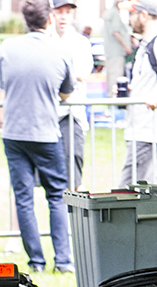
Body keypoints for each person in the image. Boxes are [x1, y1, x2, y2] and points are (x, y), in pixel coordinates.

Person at [0, 0, 76, 273]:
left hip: (14, 133)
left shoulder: (7, 48)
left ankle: (36, 262)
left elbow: (1, 87)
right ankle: (62, 260)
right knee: (56, 196)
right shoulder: (59, 52)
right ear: (49, 20)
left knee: (24, 198)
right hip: (45, 132)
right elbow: (66, 93)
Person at [116, 0, 157, 188]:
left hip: (150, 130)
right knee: (136, 192)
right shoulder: (146, 44)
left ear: (144, 15)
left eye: (132, 14)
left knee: (132, 192)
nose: (129, 20)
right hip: (140, 129)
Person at [53, 0, 93, 190]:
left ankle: (74, 217)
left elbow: (83, 74)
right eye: (59, 11)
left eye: (67, 12)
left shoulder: (80, 42)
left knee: (74, 170)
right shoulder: (44, 40)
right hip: (47, 113)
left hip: (72, 113)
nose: (63, 16)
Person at [103, 0, 132, 97]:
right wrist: (126, 47)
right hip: (116, 51)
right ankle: (114, 100)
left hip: (110, 51)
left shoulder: (109, 13)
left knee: (111, 75)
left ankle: (111, 98)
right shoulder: (114, 14)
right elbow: (116, 32)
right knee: (115, 77)